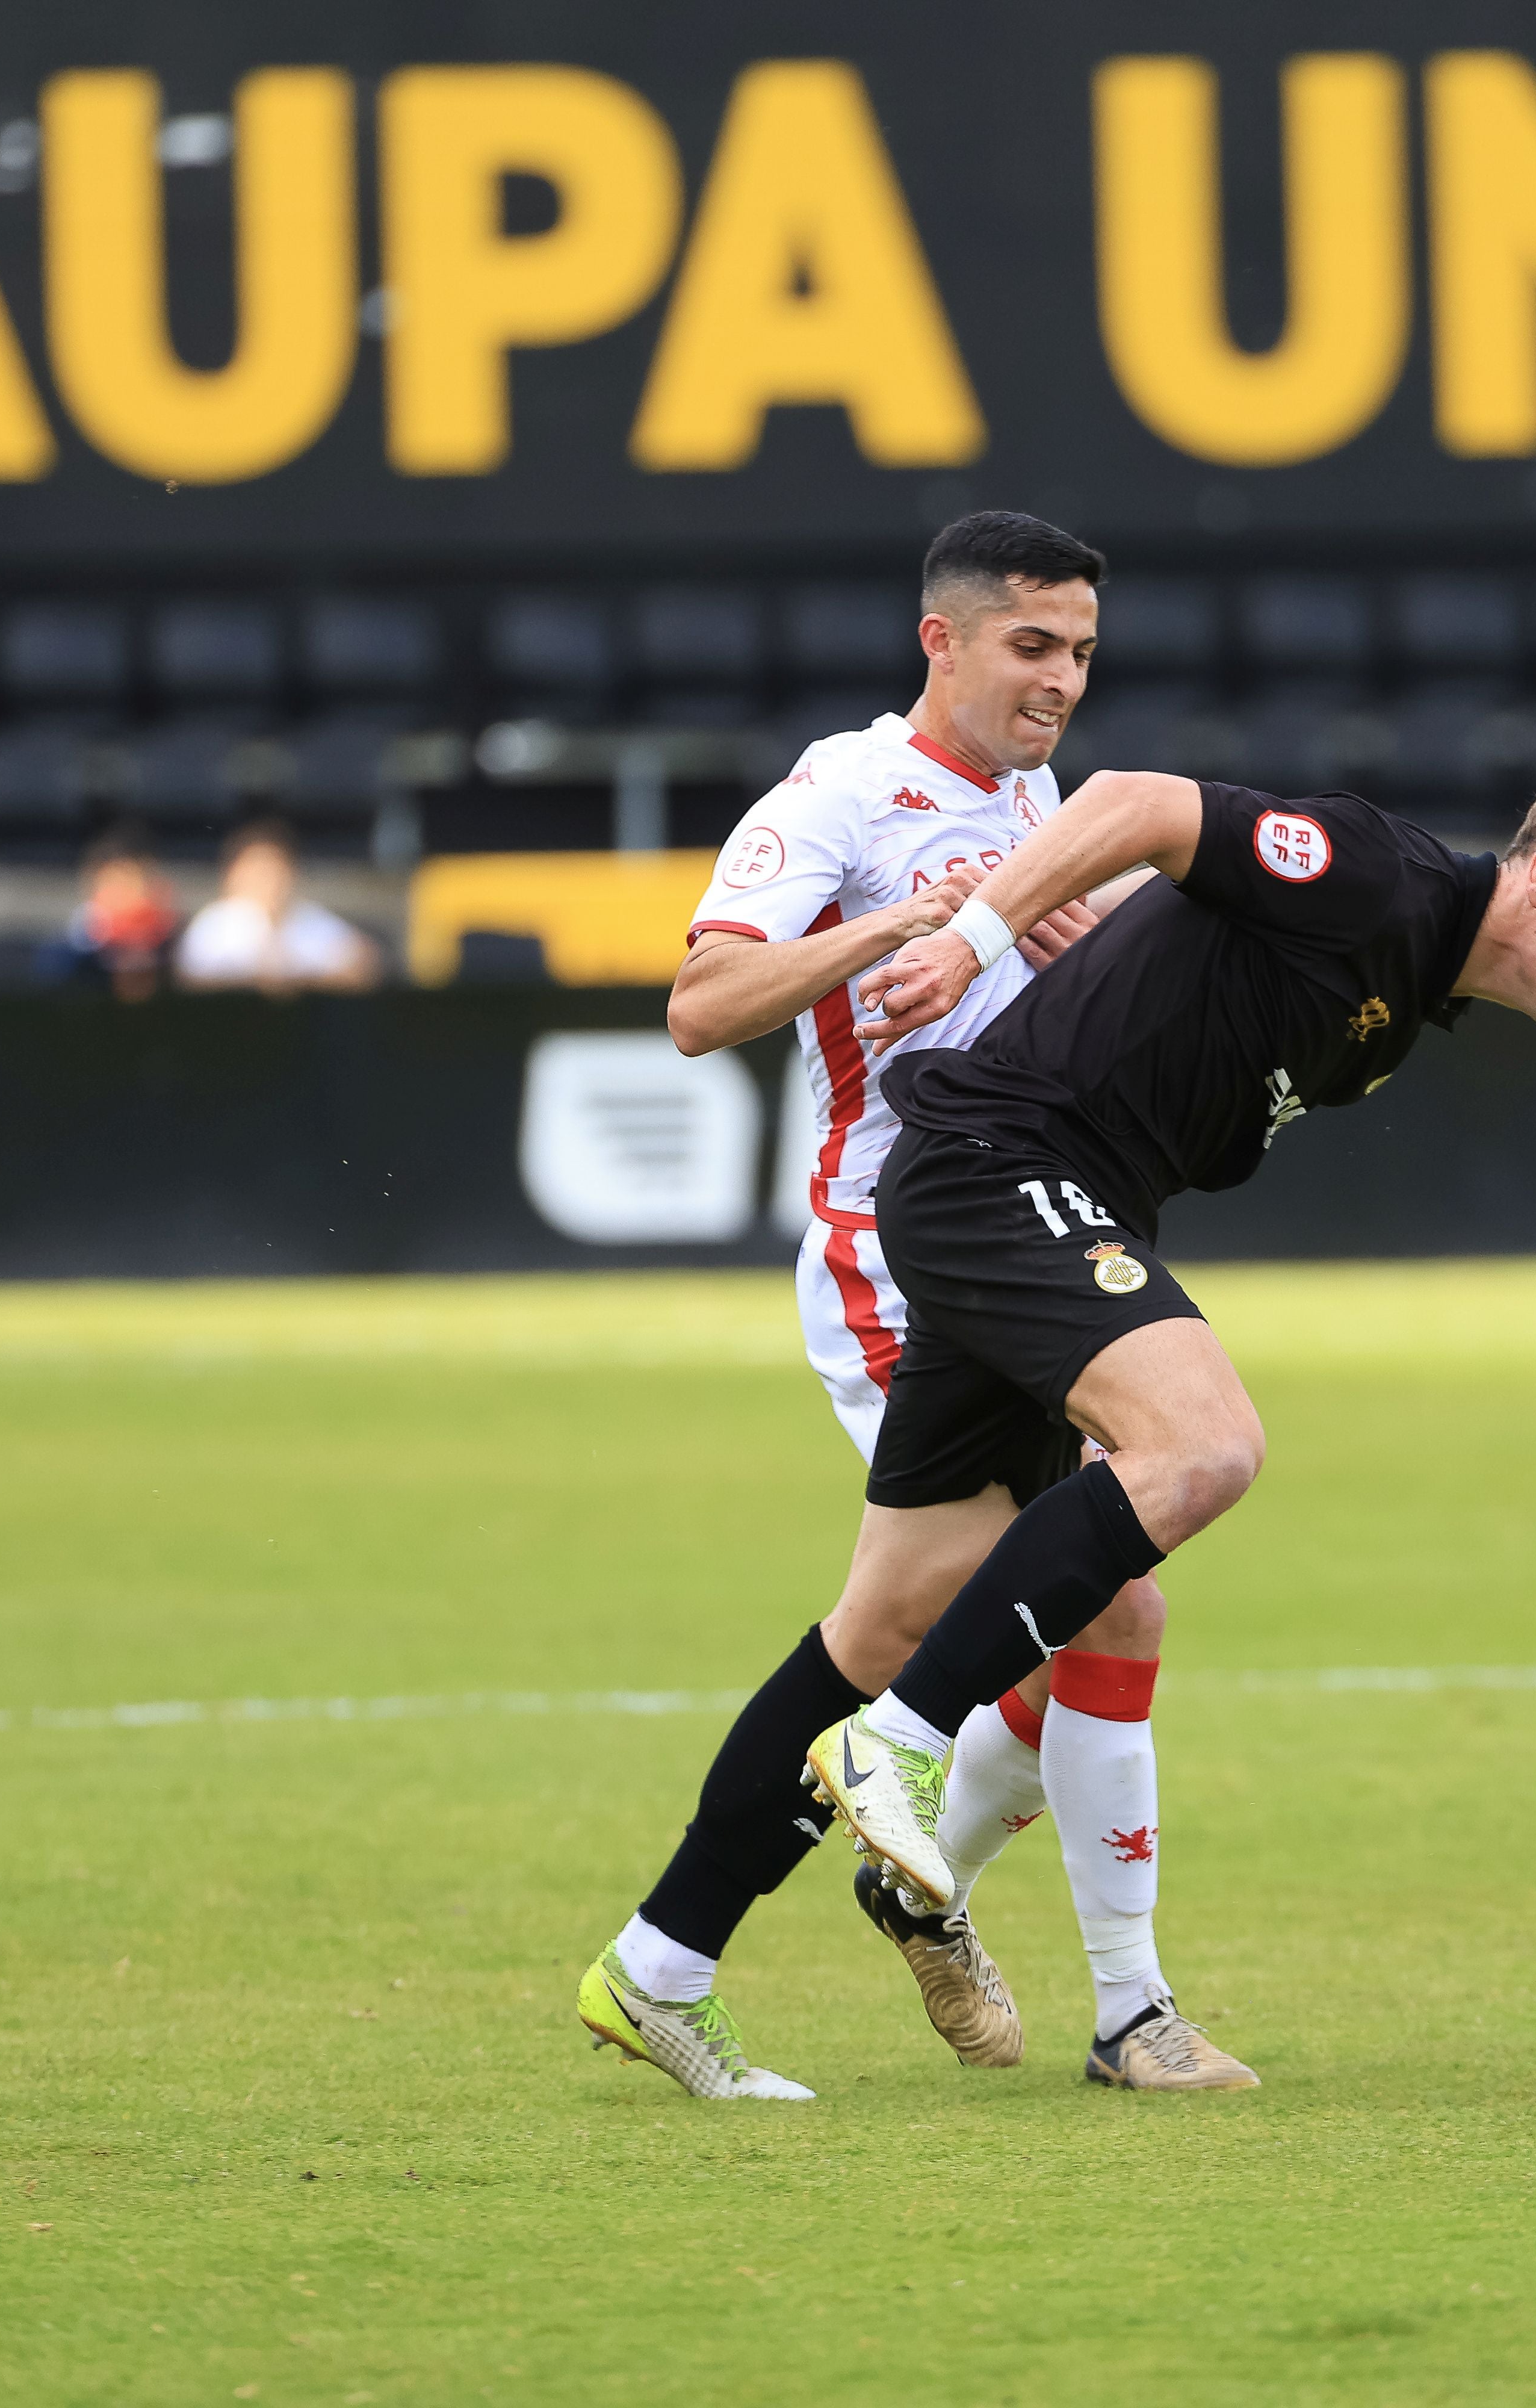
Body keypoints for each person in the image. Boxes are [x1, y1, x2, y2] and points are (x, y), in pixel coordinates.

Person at [585, 742, 1536, 2102]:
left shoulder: (1410, 976)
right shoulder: (1382, 879)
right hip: (996, 1166)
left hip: (1007, 1184)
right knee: (1203, 1446)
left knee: (912, 1613)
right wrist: (973, 939)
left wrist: (1113, 939)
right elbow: (1131, 802)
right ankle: (911, 1763)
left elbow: (1190, 966)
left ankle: (659, 1963)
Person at [586, 510, 1215, 2097]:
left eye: (1080, 649)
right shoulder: (840, 794)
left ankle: (678, 1959)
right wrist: (904, 921)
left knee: (970, 1621)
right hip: (898, 1246)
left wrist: (1083, 946)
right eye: (1032, 646)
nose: (1063, 678)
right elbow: (699, 1002)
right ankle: (1113, 2004)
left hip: (1013, 1227)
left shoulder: (1032, 796)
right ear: (941, 640)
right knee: (1039, 1607)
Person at [175, 818, 380, 993]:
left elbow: (364, 964)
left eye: (276, 868)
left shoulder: (308, 918)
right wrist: (259, 982)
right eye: (258, 869)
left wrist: (296, 982)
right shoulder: (215, 922)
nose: (269, 880)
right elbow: (191, 979)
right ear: (232, 875)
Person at [59, 825, 178, 1001]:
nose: (124, 895)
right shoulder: (71, 954)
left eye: (131, 882)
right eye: (114, 884)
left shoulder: (175, 944)